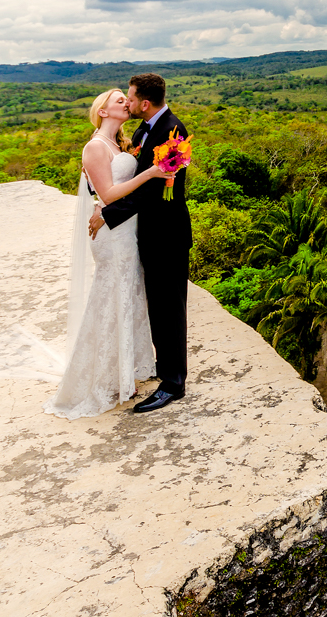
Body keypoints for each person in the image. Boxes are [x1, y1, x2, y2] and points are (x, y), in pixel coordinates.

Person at [44, 89, 174, 419]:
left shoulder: (120, 144)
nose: (125, 104)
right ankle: (101, 377)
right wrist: (151, 172)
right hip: (112, 236)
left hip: (128, 231)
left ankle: (123, 370)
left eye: (126, 99)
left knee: (128, 297)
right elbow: (108, 193)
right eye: (119, 100)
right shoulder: (95, 147)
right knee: (111, 297)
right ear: (102, 112)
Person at [90, 73, 193, 414]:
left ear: (144, 103)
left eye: (130, 99)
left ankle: (173, 383)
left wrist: (108, 214)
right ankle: (157, 370)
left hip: (167, 234)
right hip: (143, 235)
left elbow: (153, 191)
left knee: (169, 309)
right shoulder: (140, 131)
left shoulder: (174, 133)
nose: (128, 103)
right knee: (155, 307)